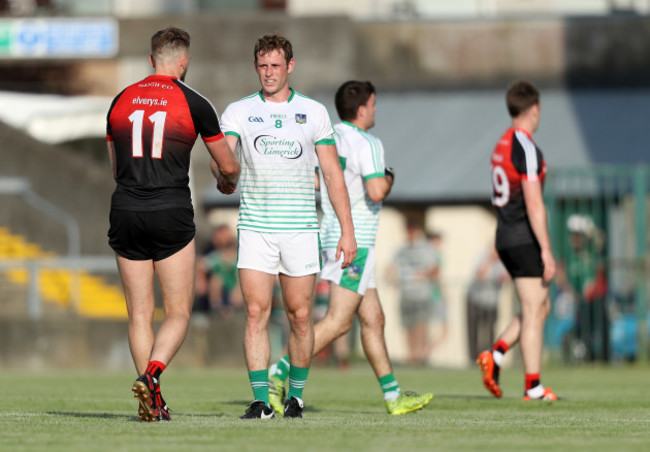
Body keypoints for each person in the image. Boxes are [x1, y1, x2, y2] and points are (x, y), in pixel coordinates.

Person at [269, 80, 433, 415]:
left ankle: (393, 396)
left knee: (374, 319)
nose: (375, 110)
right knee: (339, 322)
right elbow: (375, 190)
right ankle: (278, 372)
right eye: (373, 104)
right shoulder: (368, 142)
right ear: (361, 109)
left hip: (335, 237)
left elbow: (317, 180)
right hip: (354, 243)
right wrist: (389, 177)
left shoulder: (328, 138)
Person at [106, 27, 240, 422]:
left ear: (151, 61)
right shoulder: (194, 101)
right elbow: (228, 165)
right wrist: (226, 181)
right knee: (178, 311)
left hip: (126, 209)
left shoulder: (121, 99)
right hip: (171, 212)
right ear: (184, 63)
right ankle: (152, 376)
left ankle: (151, 401)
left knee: (139, 315)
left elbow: (116, 167)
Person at [220, 34, 357, 419]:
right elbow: (225, 158)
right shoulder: (238, 112)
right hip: (256, 227)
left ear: (290, 66)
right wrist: (222, 171)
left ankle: (295, 397)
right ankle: (261, 401)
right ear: (255, 67)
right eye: (262, 66)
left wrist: (347, 230)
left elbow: (332, 175)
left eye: (275, 66)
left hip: (300, 229)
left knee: (300, 315)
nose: (268, 73)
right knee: (256, 313)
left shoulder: (313, 112)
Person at [477, 79, 558, 401]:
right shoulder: (526, 146)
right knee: (534, 307)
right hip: (523, 237)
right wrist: (548, 251)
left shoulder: (502, 143)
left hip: (506, 235)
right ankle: (533, 387)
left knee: (540, 306)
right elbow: (534, 202)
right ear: (534, 109)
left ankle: (495, 355)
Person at [391, 220, 440, 365]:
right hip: (406, 293)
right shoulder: (401, 250)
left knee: (421, 325)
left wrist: (420, 274)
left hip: (421, 293)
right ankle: (412, 355)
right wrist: (393, 278)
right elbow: (391, 267)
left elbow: (434, 268)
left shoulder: (425, 249)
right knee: (409, 326)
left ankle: (421, 354)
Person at [466, 244, 508, 362]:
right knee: (474, 332)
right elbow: (480, 274)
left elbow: (505, 278)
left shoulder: (503, 261)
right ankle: (473, 359)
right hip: (476, 300)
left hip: (491, 302)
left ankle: (489, 359)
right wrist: (490, 260)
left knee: (490, 332)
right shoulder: (481, 257)